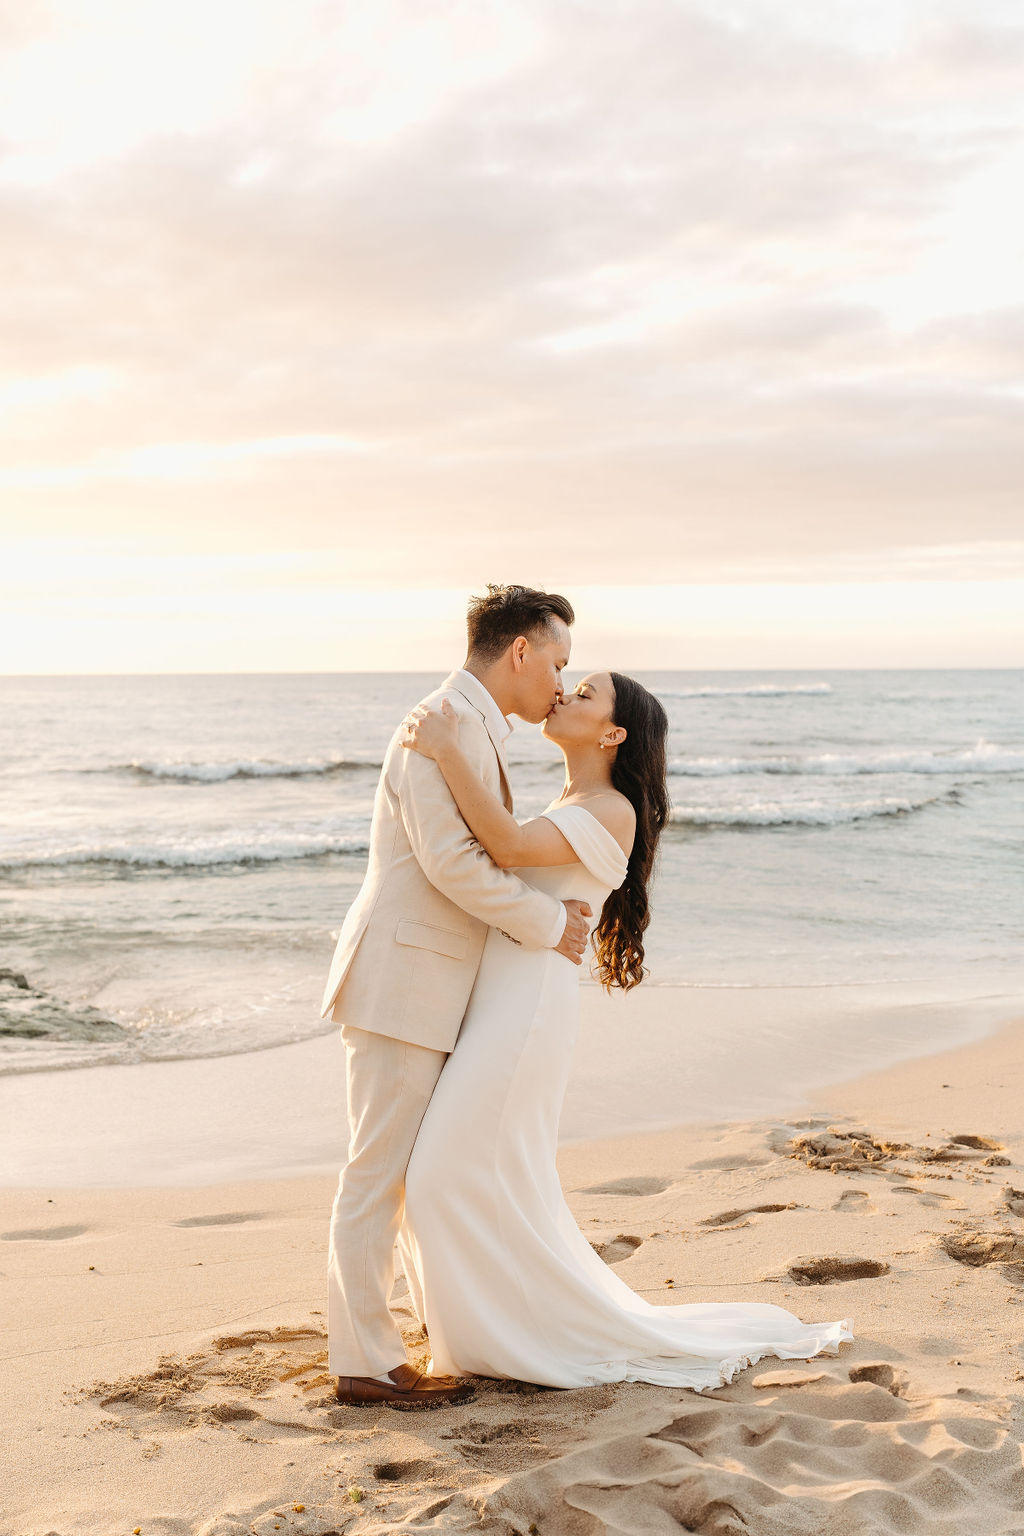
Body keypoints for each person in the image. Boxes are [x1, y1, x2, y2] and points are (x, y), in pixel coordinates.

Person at [397, 669, 853, 1389]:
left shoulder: (610, 809)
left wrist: (449, 749)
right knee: (483, 1177)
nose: (565, 695)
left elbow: (507, 849)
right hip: (501, 1002)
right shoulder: (575, 799)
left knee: (438, 1178)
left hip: (524, 1015)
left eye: (585, 694)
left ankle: (499, 1339)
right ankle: (500, 1329)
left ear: (613, 734)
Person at [322, 585, 595, 1409]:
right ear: (520, 651)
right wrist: (548, 925)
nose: (560, 682)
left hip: (428, 980)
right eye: (557, 662)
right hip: (402, 978)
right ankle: (364, 1364)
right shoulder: (438, 725)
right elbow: (451, 864)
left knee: (403, 1172)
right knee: (377, 1174)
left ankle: (396, 1342)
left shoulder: (465, 726)